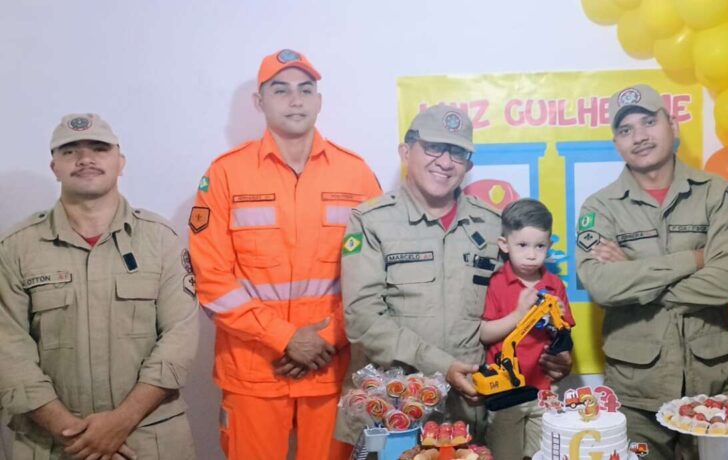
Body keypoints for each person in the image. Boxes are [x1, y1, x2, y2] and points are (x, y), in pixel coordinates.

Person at [189, 49, 381, 459]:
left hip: (331, 368)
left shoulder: (357, 174)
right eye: (281, 90)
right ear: (260, 103)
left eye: (305, 90)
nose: (295, 100)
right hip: (254, 370)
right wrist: (286, 338)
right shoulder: (225, 174)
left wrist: (325, 337)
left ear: (318, 100)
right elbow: (212, 281)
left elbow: (375, 278)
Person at [341, 105, 573, 442]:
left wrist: (555, 355)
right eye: (433, 147)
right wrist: (441, 365)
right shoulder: (371, 221)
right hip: (398, 407)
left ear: (469, 165)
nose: (446, 162)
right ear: (405, 152)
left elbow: (523, 300)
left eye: (458, 152)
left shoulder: (494, 224)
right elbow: (362, 320)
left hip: (473, 409)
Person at [0, 113, 198, 459]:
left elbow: (179, 340)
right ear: (54, 167)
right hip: (51, 444)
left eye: (99, 148)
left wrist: (122, 421)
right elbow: (8, 351)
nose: (85, 158)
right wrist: (74, 433)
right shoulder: (17, 247)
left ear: (120, 162)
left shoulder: (160, 239)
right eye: (70, 150)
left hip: (148, 439)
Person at [575, 84, 728, 459]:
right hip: (638, 395)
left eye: (648, 122)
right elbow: (603, 287)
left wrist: (635, 275)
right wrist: (695, 260)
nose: (639, 137)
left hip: (717, 388)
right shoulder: (600, 207)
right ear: (616, 142)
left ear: (672, 124)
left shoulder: (718, 194)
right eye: (625, 130)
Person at [479, 198, 574, 459]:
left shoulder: (555, 285)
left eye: (540, 246)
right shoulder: (496, 283)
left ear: (549, 246)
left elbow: (565, 338)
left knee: (544, 453)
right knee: (504, 453)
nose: (531, 254)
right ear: (504, 244)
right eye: (522, 245)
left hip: (544, 389)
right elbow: (485, 333)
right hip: (505, 391)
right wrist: (519, 314)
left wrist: (558, 325)